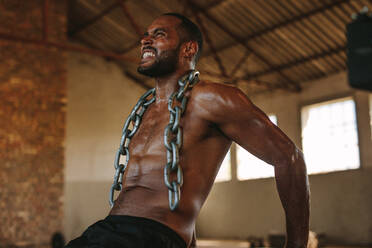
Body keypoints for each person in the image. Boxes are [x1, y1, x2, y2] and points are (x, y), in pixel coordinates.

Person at [65, 13, 310, 248]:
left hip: (148, 237)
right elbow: (180, 186)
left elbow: (289, 157)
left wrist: (297, 244)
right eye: (145, 35)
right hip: (107, 231)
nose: (145, 40)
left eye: (159, 34)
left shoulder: (212, 98)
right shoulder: (145, 111)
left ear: (188, 49)